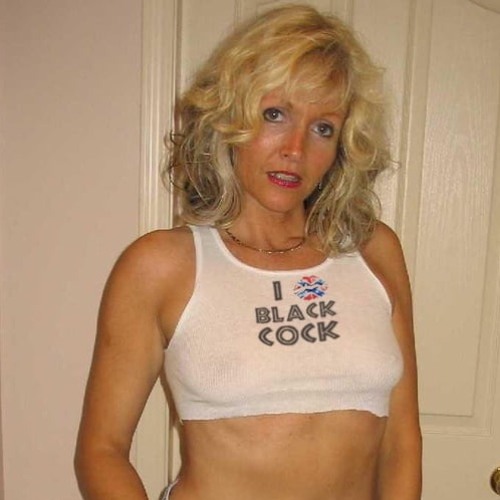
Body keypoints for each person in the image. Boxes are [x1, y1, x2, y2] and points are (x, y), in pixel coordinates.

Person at [74, 4, 422, 499]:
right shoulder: (161, 267)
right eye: (275, 114)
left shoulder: (373, 251)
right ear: (229, 117)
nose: (296, 149)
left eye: (323, 127)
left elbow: (402, 441)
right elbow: (101, 449)